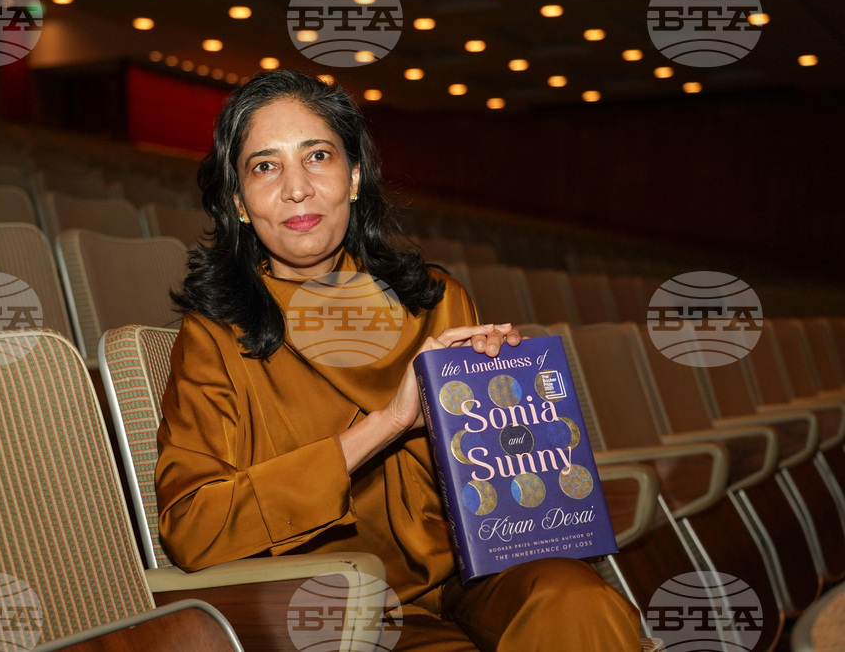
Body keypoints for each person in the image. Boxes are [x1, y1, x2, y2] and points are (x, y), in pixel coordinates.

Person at [156, 69, 641, 651]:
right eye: (265, 166)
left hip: (472, 575)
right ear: (238, 200)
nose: (297, 188)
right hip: (341, 604)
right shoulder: (213, 336)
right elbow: (193, 529)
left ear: (354, 177)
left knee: (579, 602)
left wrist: (513, 407)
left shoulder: (436, 301)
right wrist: (389, 422)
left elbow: (504, 492)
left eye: (317, 156)